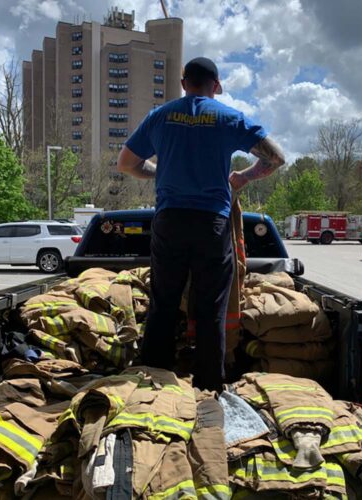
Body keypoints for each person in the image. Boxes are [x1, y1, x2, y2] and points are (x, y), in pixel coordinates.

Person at [117, 56, 285, 391]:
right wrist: (242, 177)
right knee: (210, 310)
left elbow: (126, 164)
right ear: (217, 86)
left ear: (183, 84)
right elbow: (275, 158)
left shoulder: (160, 116)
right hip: (212, 224)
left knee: (163, 303)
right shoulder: (229, 118)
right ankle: (210, 387)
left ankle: (154, 383)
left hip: (169, 221)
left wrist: (158, 172)